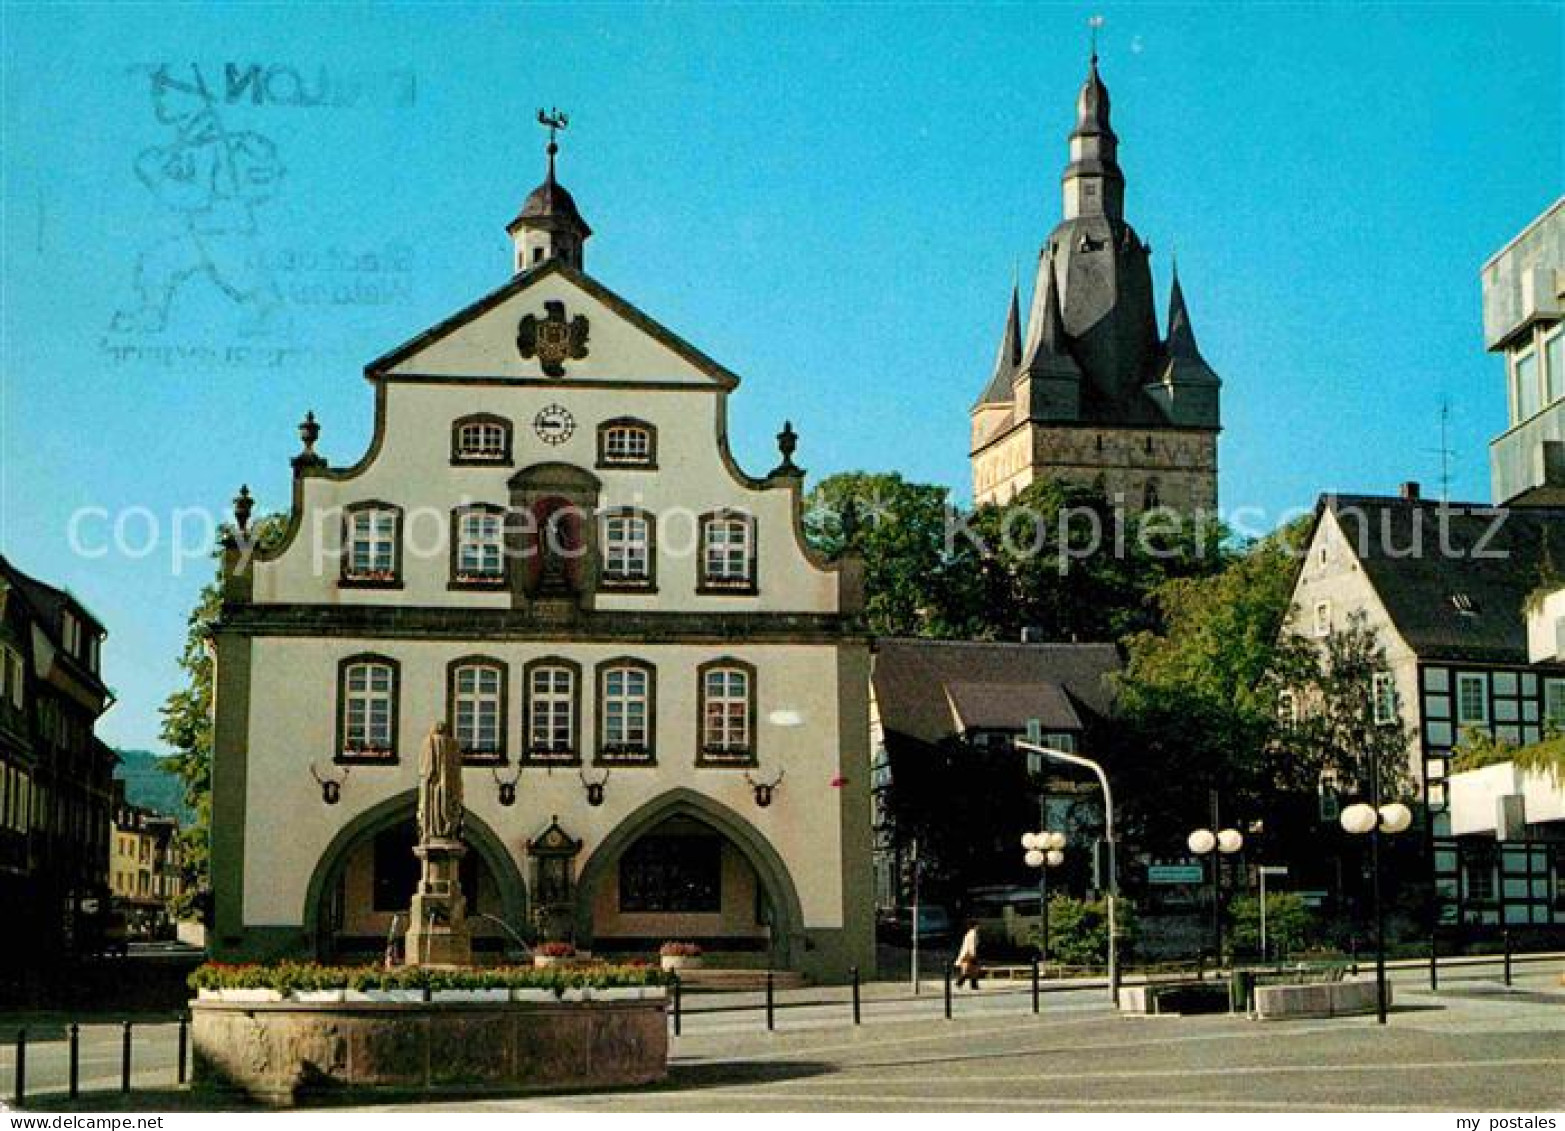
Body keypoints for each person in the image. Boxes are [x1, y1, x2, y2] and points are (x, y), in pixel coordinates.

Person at [954, 921, 982, 989]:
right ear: (975, 926)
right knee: (971, 970)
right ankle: (961, 983)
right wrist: (973, 954)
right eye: (978, 925)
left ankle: (972, 985)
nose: (979, 927)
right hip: (969, 954)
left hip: (967, 953)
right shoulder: (973, 934)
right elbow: (972, 945)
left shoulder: (969, 933)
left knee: (972, 970)